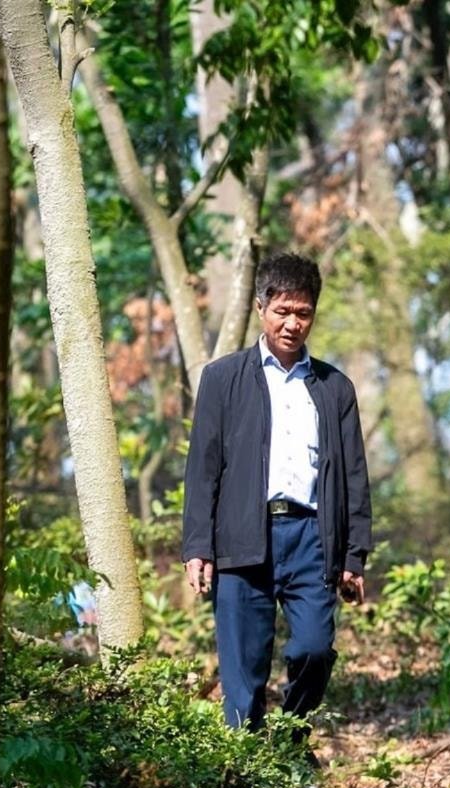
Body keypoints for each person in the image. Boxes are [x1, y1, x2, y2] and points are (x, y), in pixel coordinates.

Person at [182, 253, 371, 749]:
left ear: (314, 314)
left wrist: (354, 556)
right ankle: (246, 767)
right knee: (243, 671)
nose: (292, 323)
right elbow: (202, 468)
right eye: (282, 310)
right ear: (261, 307)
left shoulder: (334, 388)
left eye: (303, 313)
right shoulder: (223, 379)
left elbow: (354, 476)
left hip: (312, 538)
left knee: (314, 648)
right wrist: (197, 546)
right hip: (242, 536)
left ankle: (288, 743)